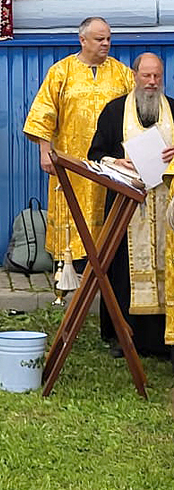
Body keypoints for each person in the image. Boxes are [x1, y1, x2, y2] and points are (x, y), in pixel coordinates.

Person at [23, 17, 134, 265]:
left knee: (107, 211)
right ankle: (70, 267)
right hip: (70, 160)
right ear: (82, 40)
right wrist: (45, 151)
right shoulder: (61, 72)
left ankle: (106, 267)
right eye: (99, 39)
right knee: (72, 208)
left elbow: (135, 113)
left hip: (110, 163)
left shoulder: (122, 73)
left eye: (108, 39)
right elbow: (43, 113)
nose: (106, 44)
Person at [88, 53, 174, 358]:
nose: (152, 82)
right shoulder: (114, 112)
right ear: (135, 76)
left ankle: (165, 339)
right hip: (127, 208)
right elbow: (95, 155)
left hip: (166, 208)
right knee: (123, 272)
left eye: (157, 76)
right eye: (146, 76)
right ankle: (124, 337)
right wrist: (117, 161)